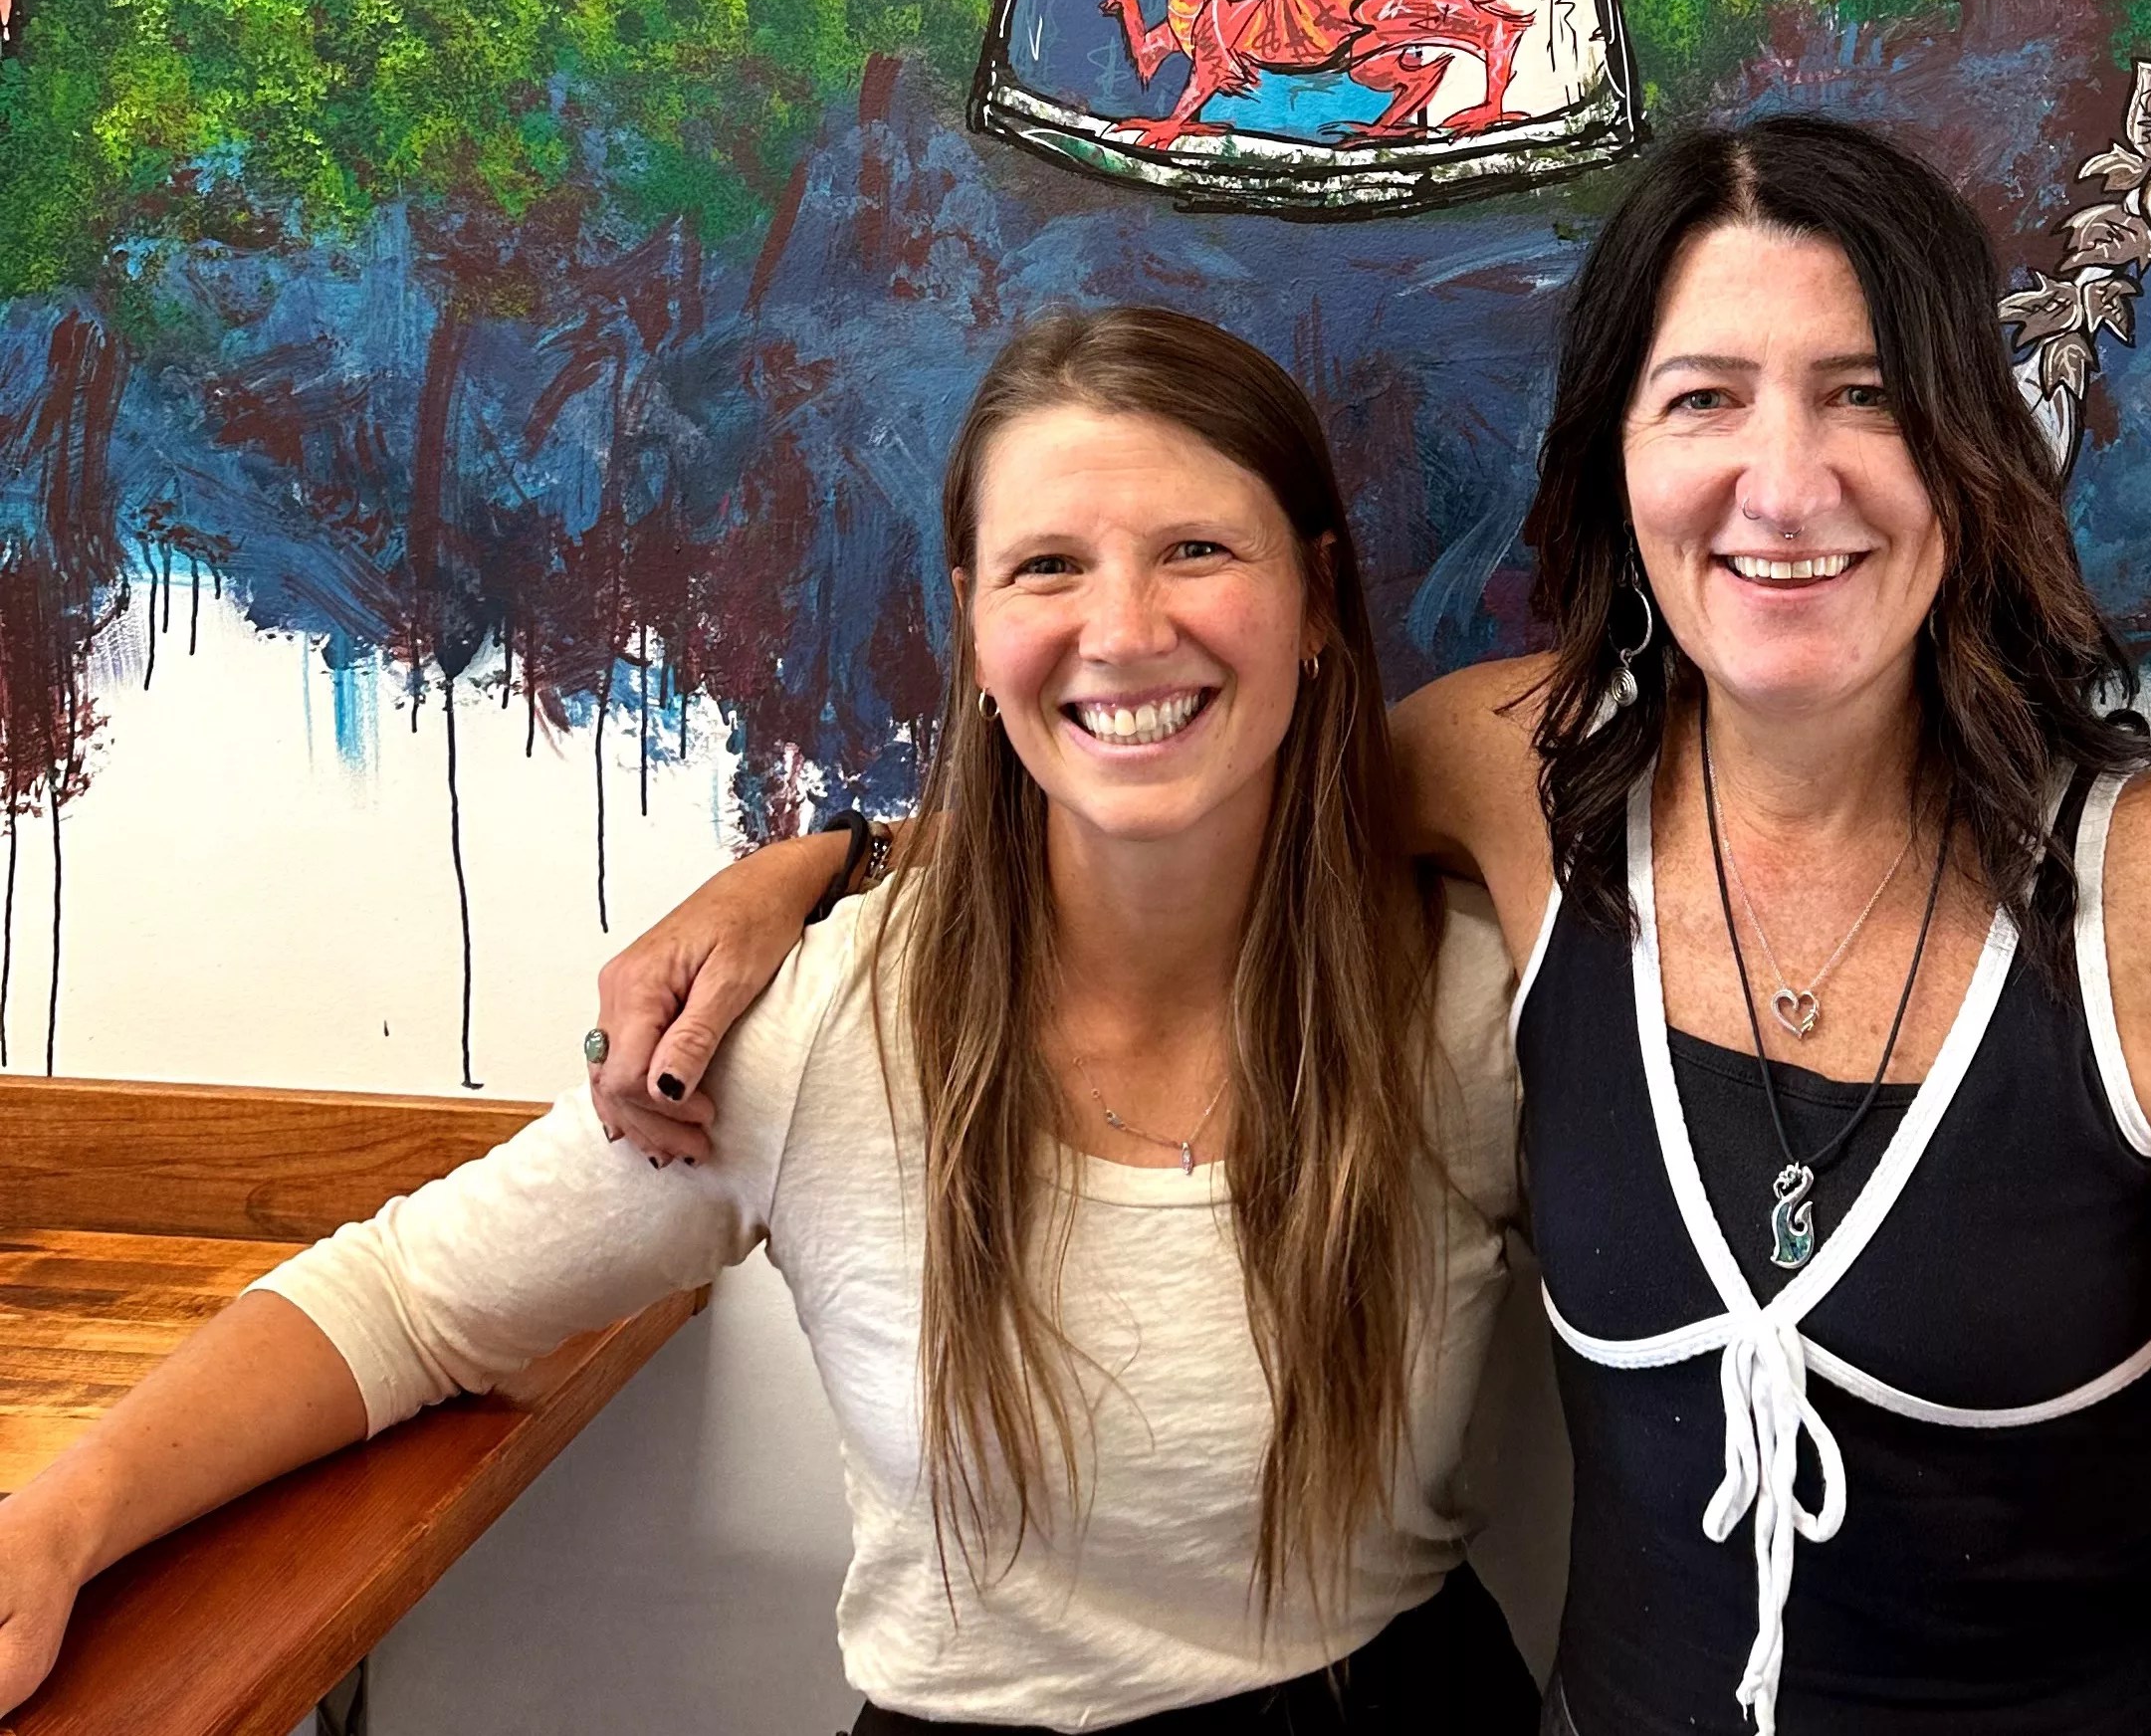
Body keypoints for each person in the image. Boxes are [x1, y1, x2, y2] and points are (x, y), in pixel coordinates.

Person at [587, 118, 2151, 1736]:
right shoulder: (1511, 778)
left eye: (1859, 395)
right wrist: (817, 866)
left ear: (1967, 455)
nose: (1784, 481)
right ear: (1619, 468)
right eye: (1703, 399)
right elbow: (1153, 782)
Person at [0, 308, 1541, 1735]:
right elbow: (413, 1302)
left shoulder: (1475, 1008)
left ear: (1318, 598)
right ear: (975, 629)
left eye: (1198, 548)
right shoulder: (825, 1022)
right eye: (1048, 566)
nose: (1124, 629)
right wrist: (56, 1527)